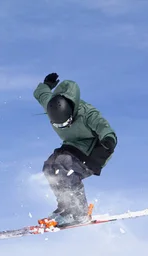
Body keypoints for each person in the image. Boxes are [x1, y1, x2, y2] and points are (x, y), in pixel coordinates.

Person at [33, 72, 117, 226]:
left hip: (96, 149)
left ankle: (79, 212)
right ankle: (65, 207)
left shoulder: (87, 114)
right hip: (73, 145)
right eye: (59, 125)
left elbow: (104, 128)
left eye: (66, 123)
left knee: (66, 168)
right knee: (50, 167)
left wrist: (109, 140)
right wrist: (46, 85)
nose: (63, 127)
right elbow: (40, 94)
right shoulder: (50, 104)